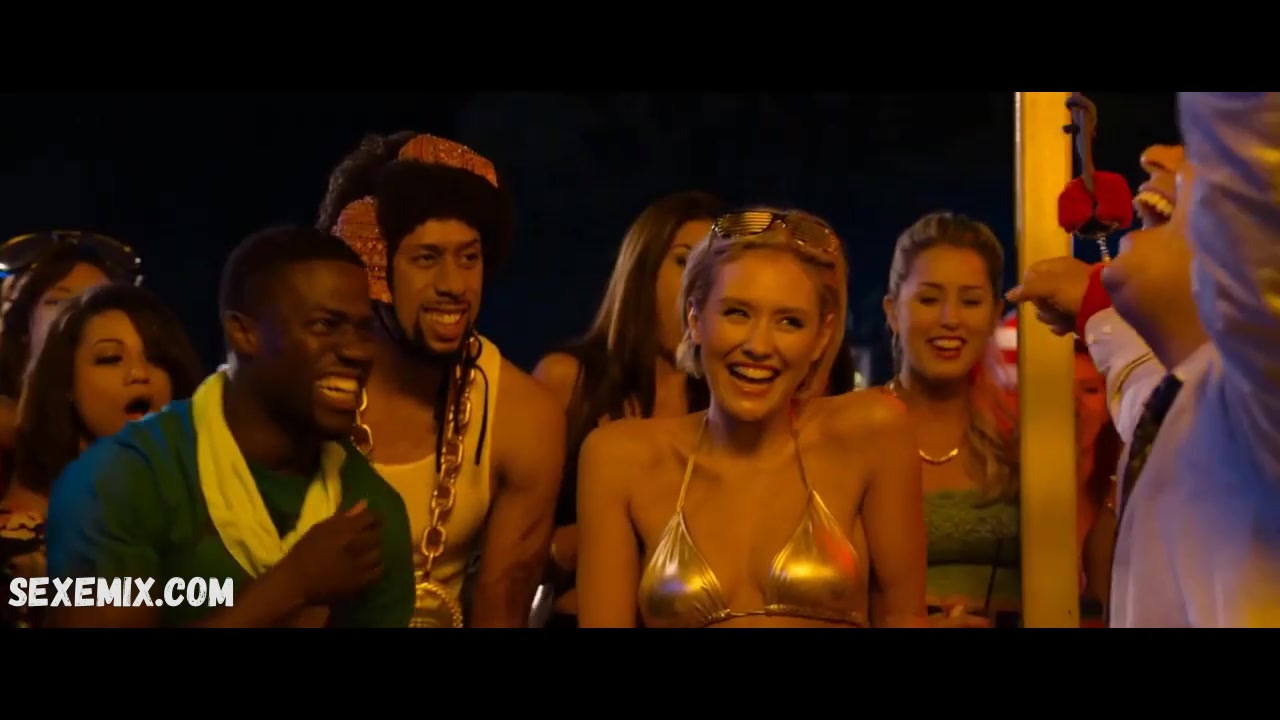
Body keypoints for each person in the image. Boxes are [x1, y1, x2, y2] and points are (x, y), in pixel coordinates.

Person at [44, 226, 415, 628]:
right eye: (325, 325)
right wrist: (291, 586)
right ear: (243, 332)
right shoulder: (120, 479)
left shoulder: (371, 509)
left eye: (364, 329)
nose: (357, 351)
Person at [576, 208, 927, 628]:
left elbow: (904, 617)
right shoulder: (618, 459)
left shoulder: (873, 432)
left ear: (820, 337)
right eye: (737, 313)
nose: (759, 346)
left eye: (789, 322)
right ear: (695, 318)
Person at [1008, 93, 1280, 627]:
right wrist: (1097, 312)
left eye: (1198, 155)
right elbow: (1151, 404)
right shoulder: (1205, 411)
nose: (1155, 155)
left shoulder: (1264, 403)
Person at [319, 132, 563, 627]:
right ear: (371, 267)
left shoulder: (524, 417)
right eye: (426, 258)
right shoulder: (297, 388)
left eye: (469, 257)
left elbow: (502, 604)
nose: (454, 286)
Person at [531, 190, 721, 628]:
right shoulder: (569, 380)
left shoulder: (724, 404)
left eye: (714, 268)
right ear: (642, 269)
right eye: (684, 261)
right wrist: (602, 523)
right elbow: (505, 558)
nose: (699, 283)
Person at [0, 283, 202, 629]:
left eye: (155, 358)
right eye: (110, 358)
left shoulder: (213, 509)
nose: (139, 374)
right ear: (66, 383)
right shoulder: (20, 546)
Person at [879, 211, 1020, 628]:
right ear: (893, 311)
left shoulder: (1023, 435)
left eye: (971, 301)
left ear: (994, 315)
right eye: (928, 299)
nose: (950, 319)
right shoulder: (853, 428)